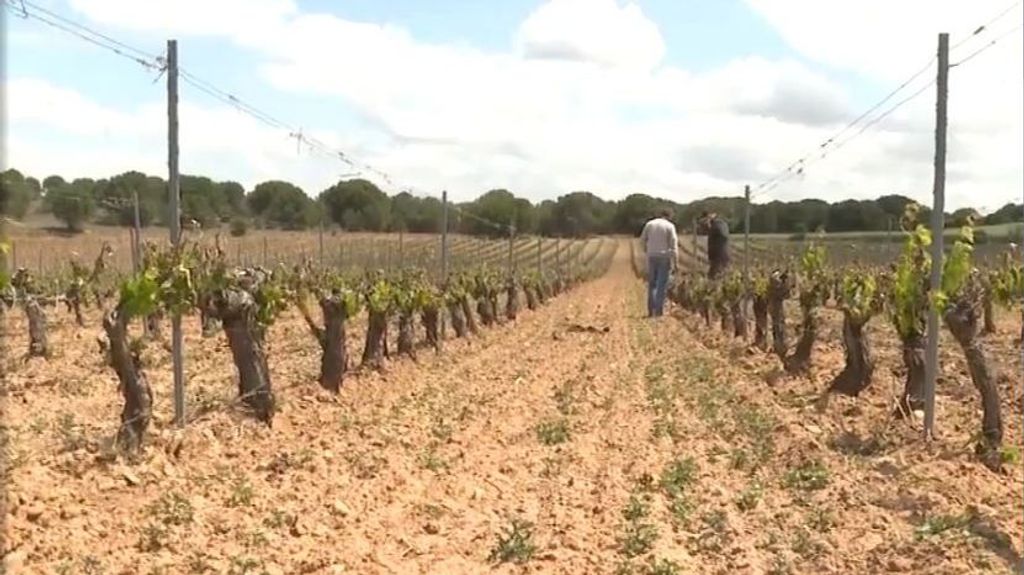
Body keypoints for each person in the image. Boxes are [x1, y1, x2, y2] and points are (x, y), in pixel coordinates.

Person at [639, 208, 678, 318]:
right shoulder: (670, 226)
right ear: (669, 216)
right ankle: (659, 312)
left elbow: (642, 240)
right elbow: (674, 245)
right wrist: (676, 261)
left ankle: (651, 311)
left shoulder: (649, 224)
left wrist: (647, 251)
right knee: (662, 285)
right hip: (664, 257)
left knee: (652, 284)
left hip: (652, 256)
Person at [700, 210, 730, 279]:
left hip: (719, 256)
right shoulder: (718, 224)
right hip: (717, 256)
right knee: (715, 276)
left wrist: (710, 227)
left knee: (714, 276)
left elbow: (723, 236)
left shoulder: (718, 224)